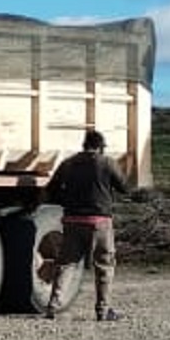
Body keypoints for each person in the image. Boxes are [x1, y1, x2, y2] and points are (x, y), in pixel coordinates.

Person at [43, 128, 131, 321]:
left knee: (66, 264)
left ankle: (53, 307)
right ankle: (103, 310)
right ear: (100, 147)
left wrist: (66, 202)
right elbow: (124, 187)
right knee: (104, 265)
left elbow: (51, 190)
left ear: (84, 145)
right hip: (100, 222)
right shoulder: (107, 163)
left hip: (73, 221)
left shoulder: (68, 163)